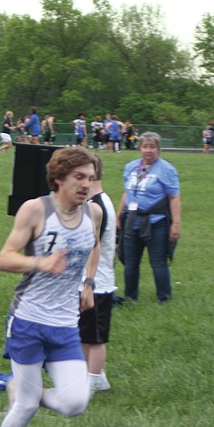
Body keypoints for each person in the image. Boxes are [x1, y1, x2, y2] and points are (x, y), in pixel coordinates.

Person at [0, 146, 101, 427]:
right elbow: (4, 258)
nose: (86, 185)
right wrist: (41, 263)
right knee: (24, 406)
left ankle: (28, 393)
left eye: (91, 178)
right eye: (79, 178)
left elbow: (93, 248)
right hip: (29, 319)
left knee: (76, 402)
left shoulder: (94, 213)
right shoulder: (36, 210)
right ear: (59, 179)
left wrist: (87, 283)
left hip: (65, 324)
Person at [117, 132, 181, 304]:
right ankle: (130, 298)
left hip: (156, 222)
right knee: (130, 262)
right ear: (139, 149)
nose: (148, 151)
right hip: (132, 220)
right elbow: (127, 193)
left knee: (158, 261)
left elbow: (174, 197)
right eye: (145, 146)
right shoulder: (131, 167)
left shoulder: (166, 169)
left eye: (152, 147)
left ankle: (164, 298)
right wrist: (118, 216)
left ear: (159, 149)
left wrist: (175, 224)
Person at [79, 153, 116, 398]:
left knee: (95, 337)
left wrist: (88, 283)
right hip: (92, 280)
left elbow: (93, 245)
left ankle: (92, 379)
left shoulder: (97, 206)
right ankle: (94, 376)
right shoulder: (96, 202)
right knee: (84, 333)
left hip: (98, 282)